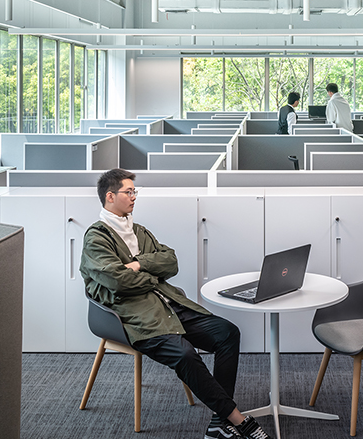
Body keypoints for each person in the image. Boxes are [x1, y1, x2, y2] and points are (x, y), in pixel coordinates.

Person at [79, 168, 273, 439]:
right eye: (129, 191)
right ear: (110, 196)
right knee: (184, 354)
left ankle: (220, 422)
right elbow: (117, 281)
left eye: (135, 191)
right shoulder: (96, 238)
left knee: (227, 333)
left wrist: (140, 264)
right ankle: (236, 419)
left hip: (170, 305)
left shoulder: (138, 231)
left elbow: (170, 261)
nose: (135, 196)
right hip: (135, 316)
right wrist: (153, 277)